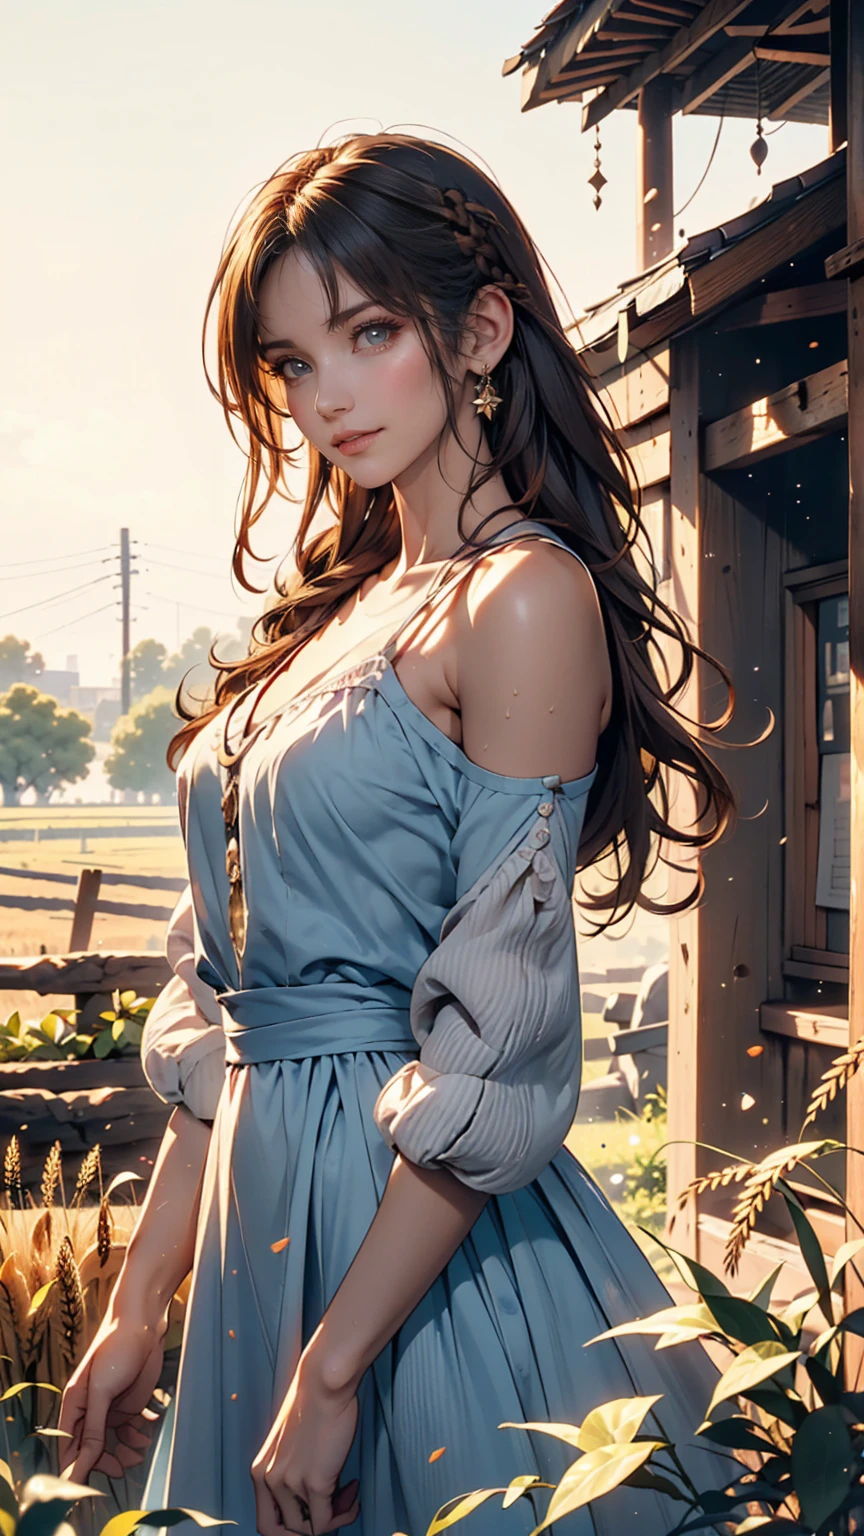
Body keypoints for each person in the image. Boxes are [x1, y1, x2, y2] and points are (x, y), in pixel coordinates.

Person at [58, 133, 737, 1536]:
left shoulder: (522, 602)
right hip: (267, 1237)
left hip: (417, 1269)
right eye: (293, 363)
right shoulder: (337, 621)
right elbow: (240, 1020)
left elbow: (499, 1039)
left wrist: (335, 1366)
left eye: (369, 333)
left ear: (480, 327)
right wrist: (136, 1310)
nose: (327, 398)